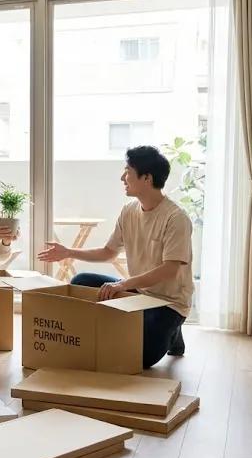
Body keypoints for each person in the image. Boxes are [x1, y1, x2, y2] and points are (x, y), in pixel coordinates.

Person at [38, 146, 194, 368]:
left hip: (168, 302)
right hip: (137, 292)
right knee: (81, 281)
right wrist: (68, 252)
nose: (123, 177)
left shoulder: (176, 218)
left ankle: (173, 328)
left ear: (147, 178)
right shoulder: (129, 211)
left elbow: (170, 270)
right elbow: (108, 252)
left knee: (140, 358)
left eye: (128, 171)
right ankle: (156, 328)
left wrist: (123, 284)